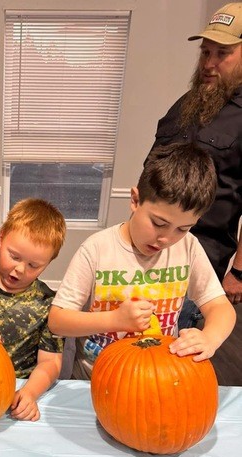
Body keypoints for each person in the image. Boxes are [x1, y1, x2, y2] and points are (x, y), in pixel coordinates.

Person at [48, 143, 236, 380]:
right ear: (135, 200)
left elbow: (221, 308)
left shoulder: (188, 247)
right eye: (158, 223)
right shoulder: (97, 249)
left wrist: (210, 337)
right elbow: (58, 321)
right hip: (95, 379)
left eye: (183, 228)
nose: (166, 238)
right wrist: (114, 320)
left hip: (156, 377)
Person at [149, 2, 242, 318]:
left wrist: (239, 271)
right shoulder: (186, 103)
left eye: (222, 53)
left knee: (179, 335)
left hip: (198, 257)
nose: (209, 63)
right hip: (149, 248)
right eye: (205, 52)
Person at [0, 198, 66, 421]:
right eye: (14, 256)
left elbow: (50, 362)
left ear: (48, 262)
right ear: (0, 239)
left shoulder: (49, 304)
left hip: (21, 390)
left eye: (33, 265)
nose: (20, 269)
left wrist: (30, 393)